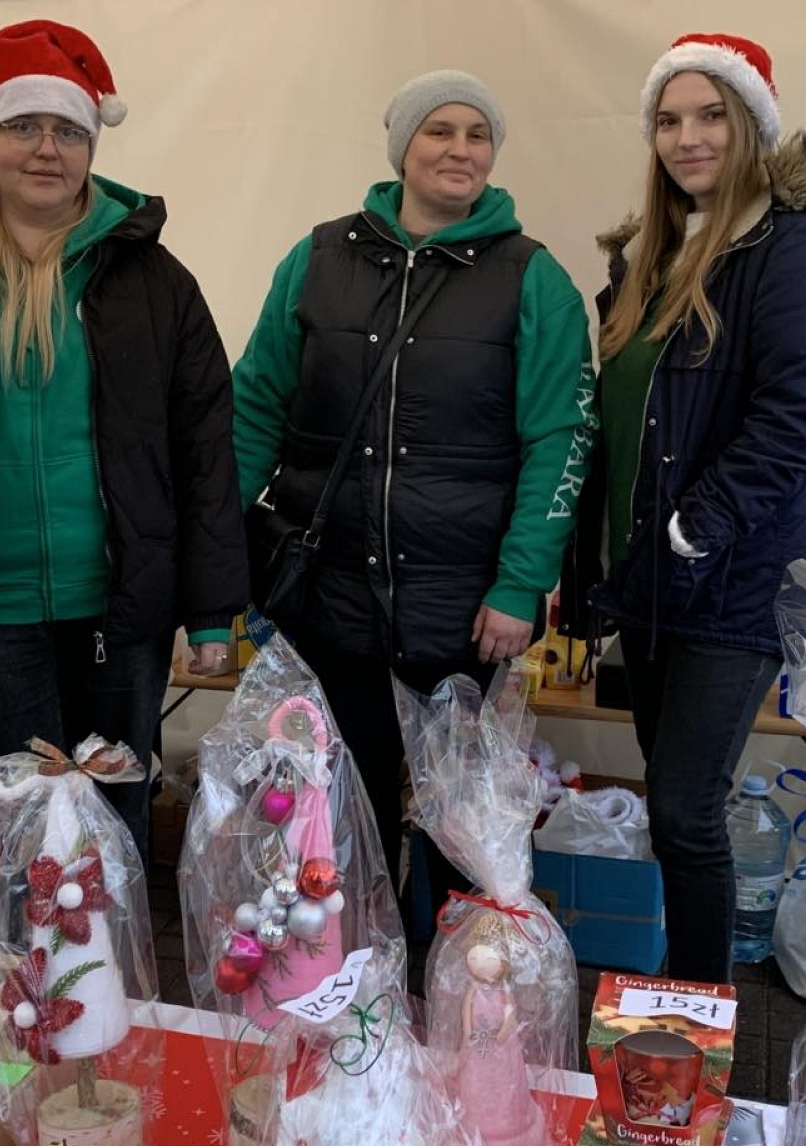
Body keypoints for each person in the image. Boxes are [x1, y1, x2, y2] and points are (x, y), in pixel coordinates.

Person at [0, 20, 246, 863]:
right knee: (13, 837)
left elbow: (203, 444)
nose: (47, 149)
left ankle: (110, 953)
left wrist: (211, 608)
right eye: (24, 126)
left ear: (90, 148)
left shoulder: (153, 280)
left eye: (68, 131)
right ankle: (25, 956)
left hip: (121, 608)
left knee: (111, 829)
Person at [233, 70, 595, 919]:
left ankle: (464, 978)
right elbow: (254, 408)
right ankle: (355, 971)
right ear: (402, 147)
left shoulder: (532, 277)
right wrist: (218, 556)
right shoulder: (317, 259)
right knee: (337, 814)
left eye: (478, 133)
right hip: (328, 600)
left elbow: (560, 440)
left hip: (464, 609)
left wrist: (521, 581)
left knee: (460, 828)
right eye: (440, 130)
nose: (460, 150)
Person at [564, 33, 806, 982]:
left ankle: (703, 1014)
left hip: (729, 579)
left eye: (711, 116)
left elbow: (792, 417)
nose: (687, 137)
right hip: (651, 581)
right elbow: (618, 426)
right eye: (668, 120)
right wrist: (595, 560)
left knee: (686, 810)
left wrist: (695, 527)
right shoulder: (649, 259)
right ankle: (679, 1009)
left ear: (752, 126)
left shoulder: (782, 251)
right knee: (673, 802)